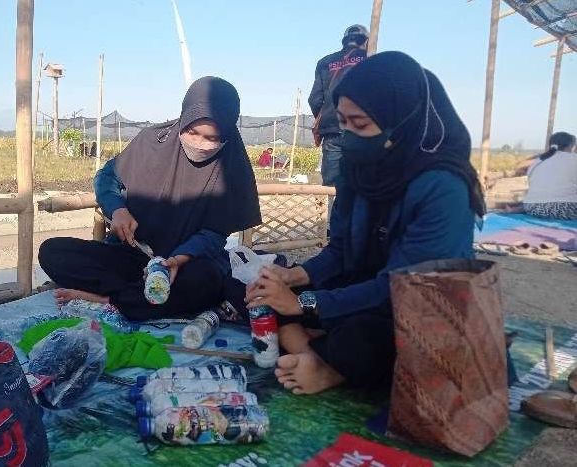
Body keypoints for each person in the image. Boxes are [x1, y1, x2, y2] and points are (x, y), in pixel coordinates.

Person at [244, 52, 485, 395]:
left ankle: (327, 367)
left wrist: (304, 304)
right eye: (342, 122)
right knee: (260, 296)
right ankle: (314, 356)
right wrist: (292, 278)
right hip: (362, 292)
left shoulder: (443, 188)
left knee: (357, 342)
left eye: (359, 125)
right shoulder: (359, 170)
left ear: (402, 122)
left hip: (419, 308)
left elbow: (403, 288)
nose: (347, 135)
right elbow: (340, 249)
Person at [38, 76, 261, 320]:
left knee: (205, 281)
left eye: (212, 138)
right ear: (183, 118)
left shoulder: (231, 169)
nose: (200, 144)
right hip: (134, 256)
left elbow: (214, 235)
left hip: (184, 264)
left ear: (227, 134)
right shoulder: (151, 142)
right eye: (192, 132)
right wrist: (117, 209)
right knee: (52, 252)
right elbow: (107, 177)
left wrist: (175, 261)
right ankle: (142, 298)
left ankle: (107, 299)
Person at [309, 24, 369, 186]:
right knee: (363, 182)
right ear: (366, 42)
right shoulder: (371, 58)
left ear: (344, 41)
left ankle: (331, 211)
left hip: (332, 130)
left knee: (332, 184)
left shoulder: (325, 62)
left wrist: (327, 116)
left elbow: (314, 99)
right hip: (362, 130)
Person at [517, 132, 577, 220]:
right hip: (565, 210)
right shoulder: (573, 158)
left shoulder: (538, 161)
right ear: (570, 146)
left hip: (531, 208)